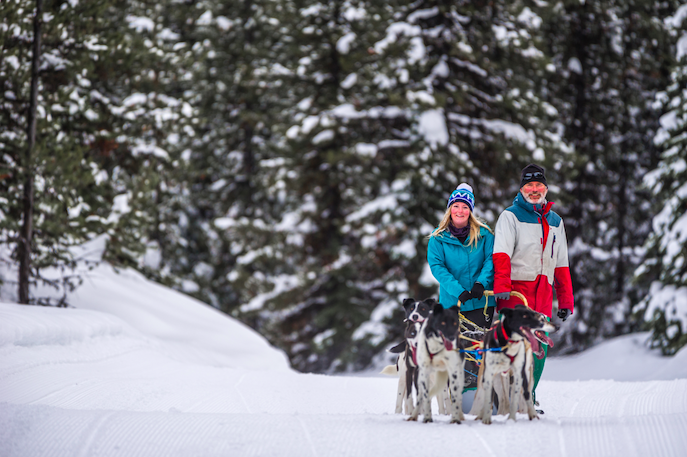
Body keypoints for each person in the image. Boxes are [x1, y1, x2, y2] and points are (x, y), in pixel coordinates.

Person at [492, 164, 574, 411]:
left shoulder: (556, 221)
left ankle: (528, 397)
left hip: (543, 295)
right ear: (521, 189)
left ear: (546, 189)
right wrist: (502, 286)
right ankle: (506, 399)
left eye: (539, 185)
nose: (534, 190)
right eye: (529, 186)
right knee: (512, 346)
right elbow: (501, 254)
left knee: (538, 347)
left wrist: (566, 300)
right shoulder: (511, 216)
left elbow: (561, 265)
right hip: (516, 293)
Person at [427, 183, 496, 390]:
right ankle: (456, 392)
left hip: (480, 301)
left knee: (479, 348)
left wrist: (480, 284)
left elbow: (490, 261)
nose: (460, 211)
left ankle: (481, 391)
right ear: (450, 208)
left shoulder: (484, 235)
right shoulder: (438, 238)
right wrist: (459, 291)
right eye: (456, 206)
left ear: (471, 211)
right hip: (453, 304)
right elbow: (437, 267)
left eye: (465, 207)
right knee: (455, 348)